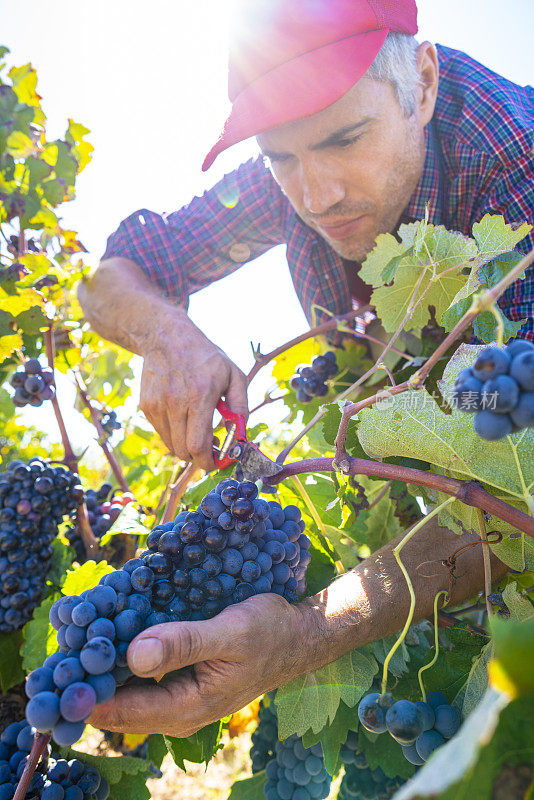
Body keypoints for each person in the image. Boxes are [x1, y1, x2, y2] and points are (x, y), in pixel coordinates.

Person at [81, 0, 531, 736]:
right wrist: (168, 337)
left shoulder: (519, 171)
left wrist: (310, 635)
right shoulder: (286, 182)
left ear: (422, 80)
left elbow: (520, 490)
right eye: (280, 157)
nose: (315, 195)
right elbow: (110, 278)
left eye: (345, 138)